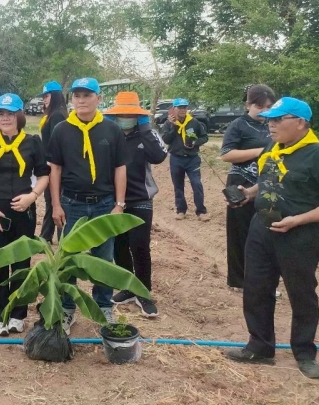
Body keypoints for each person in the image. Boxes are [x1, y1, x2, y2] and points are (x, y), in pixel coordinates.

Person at [224, 98, 319, 380]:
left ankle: (304, 353)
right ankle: (259, 346)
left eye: (278, 119)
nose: (270, 124)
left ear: (301, 123)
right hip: (262, 229)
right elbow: (269, 182)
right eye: (270, 119)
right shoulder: (273, 147)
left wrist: (297, 220)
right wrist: (248, 193)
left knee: (301, 293)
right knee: (256, 289)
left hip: (300, 235)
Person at [47, 77, 128, 333]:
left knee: (104, 257)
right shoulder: (61, 130)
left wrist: (119, 204)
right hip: (72, 204)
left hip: (104, 203)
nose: (81, 100)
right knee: (68, 257)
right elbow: (55, 169)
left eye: (87, 95)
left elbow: (120, 168)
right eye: (77, 96)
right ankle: (67, 308)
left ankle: (103, 306)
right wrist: (56, 205)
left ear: (98, 99)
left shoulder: (111, 130)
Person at [0, 93, 49, 336]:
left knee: (21, 263)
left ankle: (17, 313)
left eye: (10, 113)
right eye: (1, 114)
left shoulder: (32, 142)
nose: (5, 118)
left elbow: (44, 175)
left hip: (23, 210)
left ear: (20, 116)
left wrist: (32, 196)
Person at [104, 92, 167, 318]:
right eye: (122, 114)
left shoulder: (147, 134)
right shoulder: (109, 134)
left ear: (138, 115)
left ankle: (143, 292)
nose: (126, 118)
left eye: (131, 114)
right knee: (119, 246)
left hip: (141, 198)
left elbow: (159, 156)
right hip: (113, 200)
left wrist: (146, 129)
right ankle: (128, 287)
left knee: (139, 246)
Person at [220, 84, 276, 291]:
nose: (264, 111)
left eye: (268, 107)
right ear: (248, 105)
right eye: (259, 106)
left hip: (269, 184)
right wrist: (260, 151)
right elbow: (226, 154)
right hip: (241, 181)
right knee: (240, 233)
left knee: (268, 232)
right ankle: (239, 281)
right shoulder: (238, 125)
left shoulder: (274, 124)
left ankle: (265, 281)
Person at [161, 98, 210, 221]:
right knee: (178, 185)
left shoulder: (193, 122)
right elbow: (166, 140)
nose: (182, 110)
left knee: (196, 183)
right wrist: (174, 126)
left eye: (184, 107)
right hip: (176, 158)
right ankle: (181, 210)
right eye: (180, 107)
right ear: (174, 109)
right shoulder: (168, 123)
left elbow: (204, 137)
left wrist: (195, 143)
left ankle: (201, 211)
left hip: (192, 159)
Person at [38, 81, 68, 243]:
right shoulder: (53, 114)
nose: (44, 99)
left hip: (54, 164)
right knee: (50, 200)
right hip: (49, 163)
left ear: (55, 96)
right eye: (43, 96)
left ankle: (49, 236)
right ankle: (46, 235)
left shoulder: (57, 115)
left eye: (47, 95)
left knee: (53, 200)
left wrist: (51, 163)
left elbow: (57, 143)